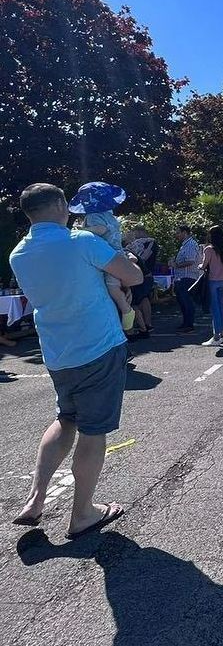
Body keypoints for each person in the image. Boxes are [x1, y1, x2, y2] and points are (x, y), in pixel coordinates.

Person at [9, 183, 142, 537]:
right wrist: (123, 255)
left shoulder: (18, 253)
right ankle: (83, 513)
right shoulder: (82, 241)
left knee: (64, 418)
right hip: (97, 344)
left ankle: (36, 499)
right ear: (58, 204)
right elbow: (134, 276)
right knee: (93, 430)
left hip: (57, 351)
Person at [67, 182, 135, 334]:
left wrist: (81, 229)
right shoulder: (109, 215)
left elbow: (100, 229)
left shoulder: (93, 215)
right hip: (117, 253)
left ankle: (126, 310)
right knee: (115, 284)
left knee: (111, 286)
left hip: (109, 255)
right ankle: (124, 307)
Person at [200, 226, 223, 347]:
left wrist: (200, 266)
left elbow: (203, 266)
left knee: (214, 309)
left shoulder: (209, 249)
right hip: (222, 280)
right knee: (220, 307)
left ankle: (216, 336)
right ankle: (221, 333)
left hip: (212, 281)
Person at [127, 225, 158, 340]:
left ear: (140, 232)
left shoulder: (147, 243)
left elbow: (142, 258)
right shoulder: (149, 243)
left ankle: (145, 324)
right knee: (143, 299)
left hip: (142, 275)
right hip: (146, 274)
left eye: (135, 233)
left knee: (138, 301)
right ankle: (146, 324)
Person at [171, 225, 201, 333]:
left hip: (187, 277)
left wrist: (176, 265)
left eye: (178, 232)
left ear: (185, 232)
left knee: (187, 301)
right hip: (182, 277)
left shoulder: (190, 244)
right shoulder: (184, 245)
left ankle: (189, 324)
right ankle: (185, 323)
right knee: (182, 302)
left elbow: (190, 261)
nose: (176, 235)